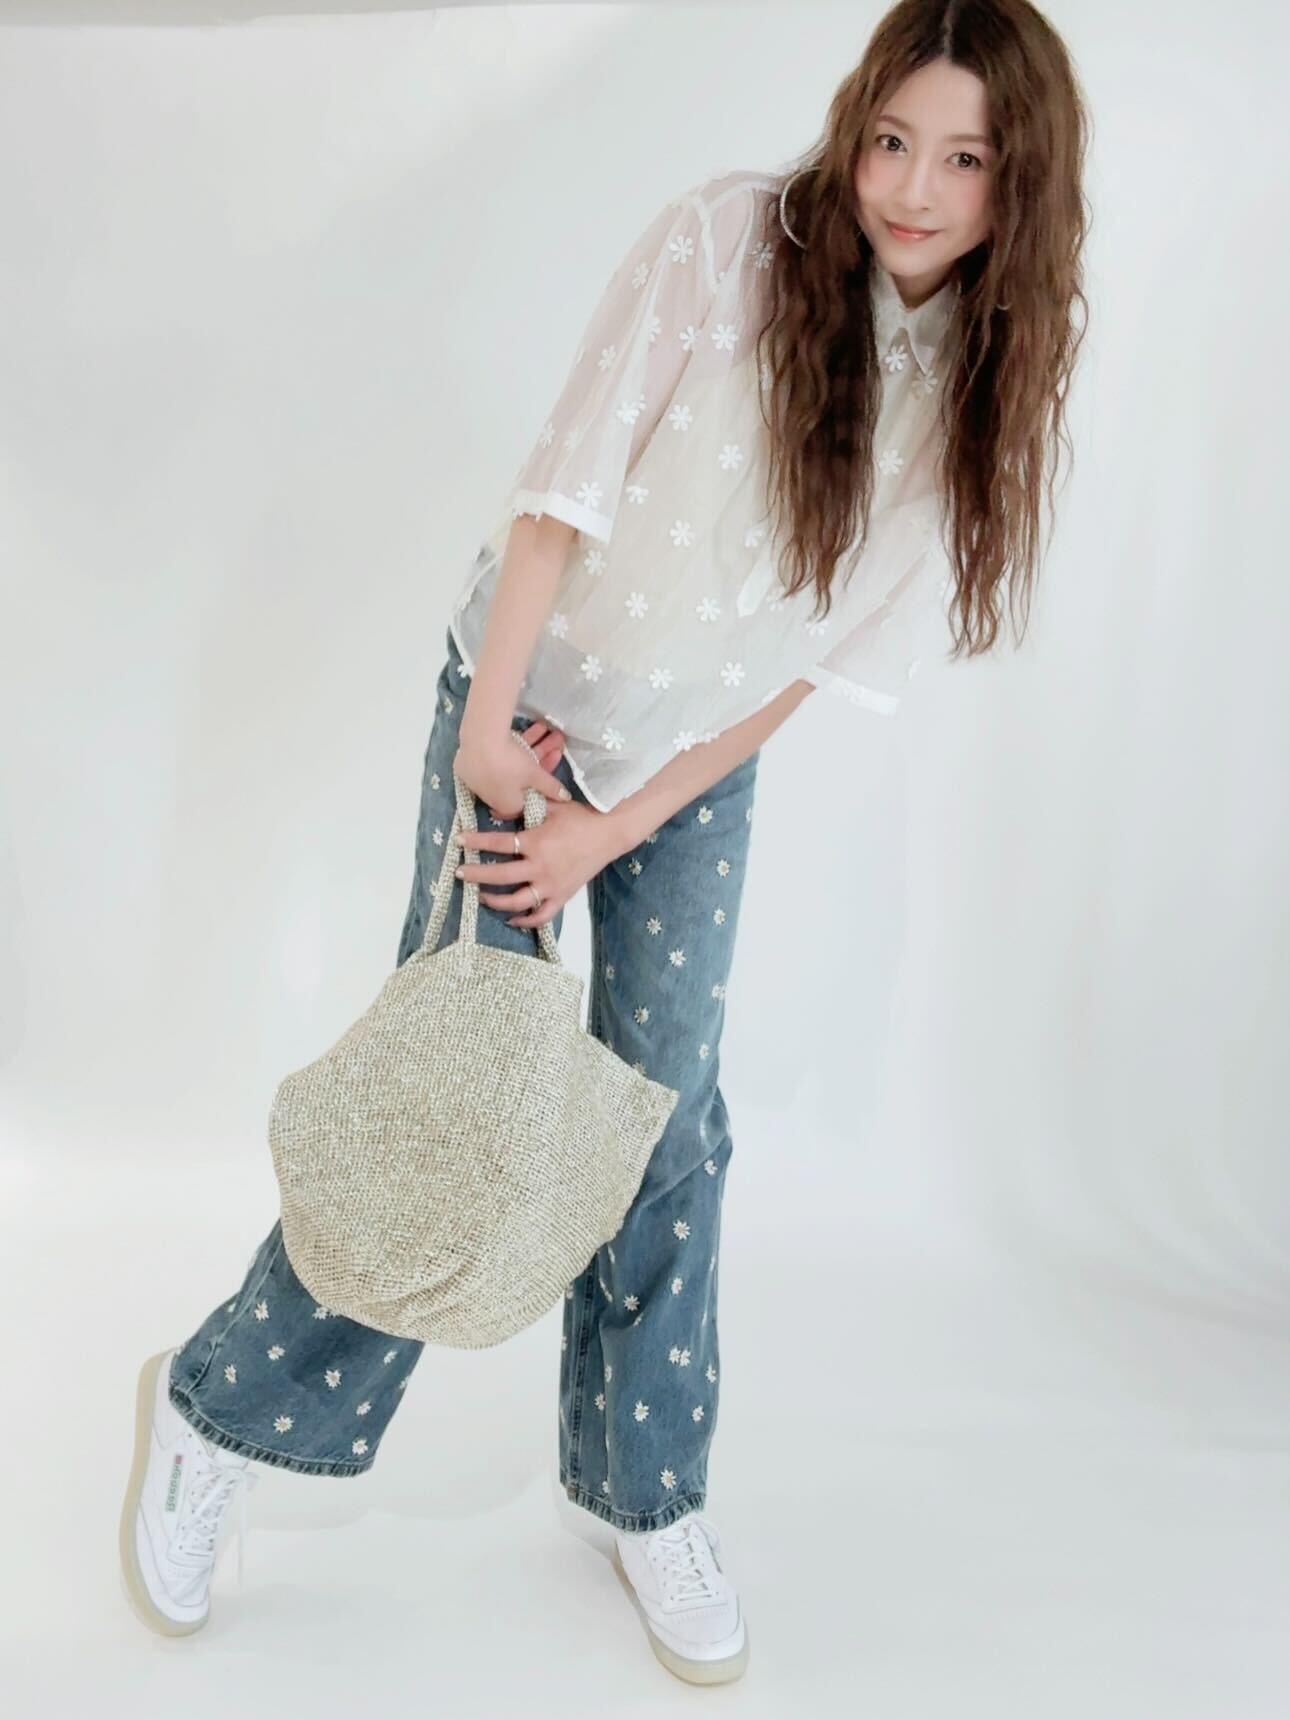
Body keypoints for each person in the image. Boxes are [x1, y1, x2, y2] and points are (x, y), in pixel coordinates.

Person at [118, 0, 1089, 1685]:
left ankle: (644, 1490)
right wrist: (492, 740)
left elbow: (801, 665)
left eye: (963, 160)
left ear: (1022, 183)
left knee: (666, 1110)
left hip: (683, 764)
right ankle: (218, 1411)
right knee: (456, 1088)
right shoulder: (726, 245)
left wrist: (619, 828)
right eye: (890, 140)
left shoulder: (987, 368)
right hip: (527, 703)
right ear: (852, 122)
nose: (911, 190)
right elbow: (556, 498)